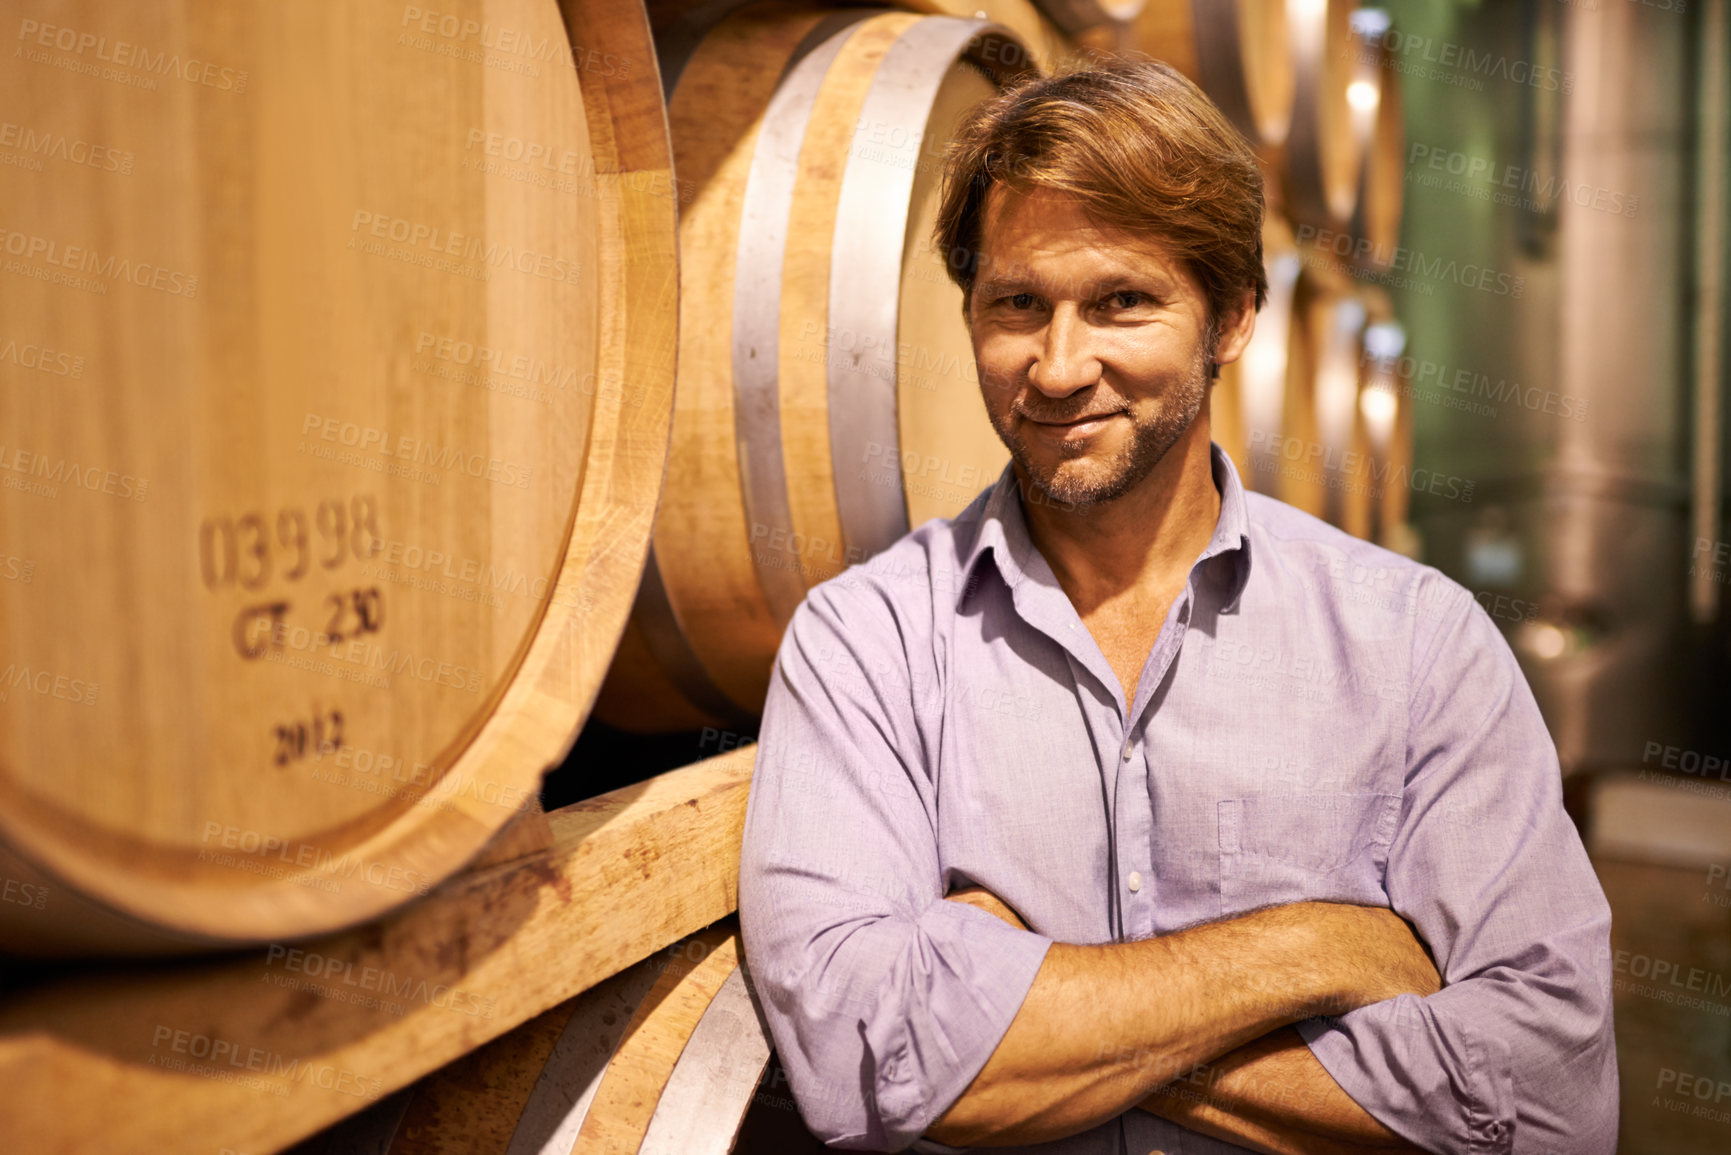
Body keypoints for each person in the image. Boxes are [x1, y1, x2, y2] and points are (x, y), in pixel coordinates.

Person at [736, 60, 1616, 1155]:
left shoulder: (1415, 643)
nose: (1058, 368)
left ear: (1234, 315)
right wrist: (1310, 951)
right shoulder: (864, 640)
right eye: (1018, 304)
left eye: (1121, 302)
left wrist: (1018, 1007)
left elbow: (1548, 1105)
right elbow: (860, 1065)